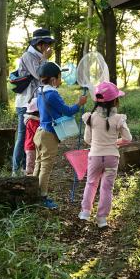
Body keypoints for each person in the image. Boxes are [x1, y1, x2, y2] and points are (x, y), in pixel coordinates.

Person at [34, 62, 88, 209]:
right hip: (48, 135)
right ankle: (42, 197)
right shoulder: (52, 94)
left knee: (38, 164)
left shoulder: (40, 91)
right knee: (46, 166)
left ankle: (32, 191)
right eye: (59, 77)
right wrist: (79, 103)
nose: (61, 80)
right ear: (53, 79)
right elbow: (68, 111)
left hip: (39, 132)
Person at [78, 81, 132, 228]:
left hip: (94, 156)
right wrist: (115, 142)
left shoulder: (91, 117)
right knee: (107, 188)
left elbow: (87, 140)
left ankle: (85, 212)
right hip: (112, 157)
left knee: (91, 183)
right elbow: (128, 138)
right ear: (115, 100)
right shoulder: (118, 118)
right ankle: (102, 219)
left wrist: (98, 143)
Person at [12, 28, 54, 175]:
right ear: (40, 44)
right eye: (47, 43)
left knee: (32, 137)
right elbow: (39, 74)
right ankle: (16, 170)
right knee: (23, 136)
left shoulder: (37, 56)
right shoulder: (28, 56)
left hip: (35, 102)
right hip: (25, 104)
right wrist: (44, 58)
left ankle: (27, 168)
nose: (49, 47)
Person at [23, 97, 40, 176]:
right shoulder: (31, 121)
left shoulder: (32, 120)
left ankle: (34, 179)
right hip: (31, 146)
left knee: (34, 164)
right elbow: (37, 131)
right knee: (30, 166)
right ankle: (29, 180)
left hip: (32, 146)